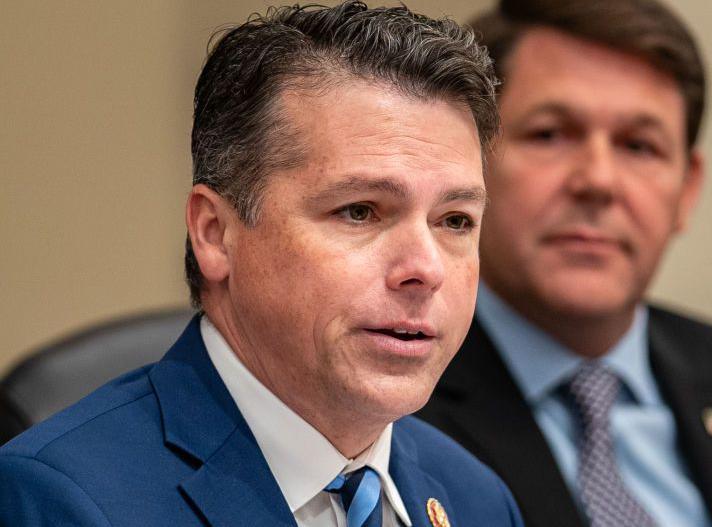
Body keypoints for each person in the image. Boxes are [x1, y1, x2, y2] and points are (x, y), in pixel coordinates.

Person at [0, 3, 524, 526]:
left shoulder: (476, 498)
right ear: (215, 234)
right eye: (359, 211)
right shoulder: (61, 499)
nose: (425, 268)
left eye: (455, 221)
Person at [416, 1, 712, 526]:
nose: (598, 181)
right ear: (468, 167)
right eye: (550, 134)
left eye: (638, 146)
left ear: (687, 191)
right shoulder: (393, 402)